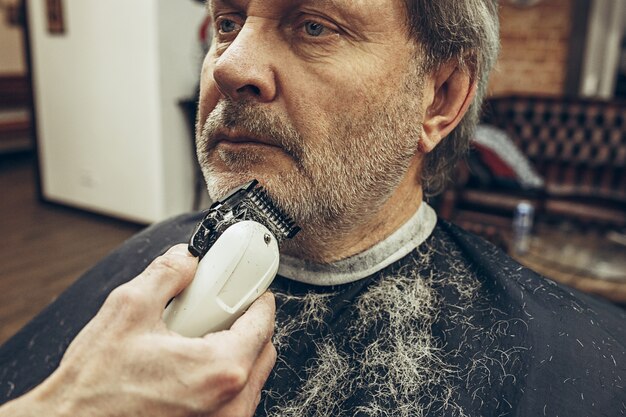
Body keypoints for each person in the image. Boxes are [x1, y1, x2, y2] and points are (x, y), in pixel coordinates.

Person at [1, 0, 625, 416]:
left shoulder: (592, 364)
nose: (231, 63)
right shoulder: (143, 269)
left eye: (313, 24)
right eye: (228, 21)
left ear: (440, 96)